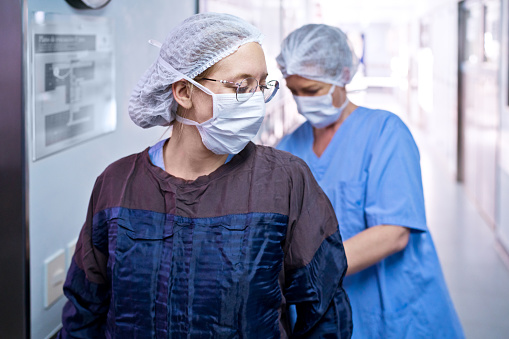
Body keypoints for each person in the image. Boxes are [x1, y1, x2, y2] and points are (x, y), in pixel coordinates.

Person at [58, 13, 352, 338]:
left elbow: (326, 312)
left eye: (261, 85)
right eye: (241, 86)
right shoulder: (117, 185)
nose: (255, 100)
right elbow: (84, 313)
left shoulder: (284, 182)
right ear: (184, 91)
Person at [276, 24, 464, 338]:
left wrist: (313, 273)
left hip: (395, 312)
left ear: (344, 75)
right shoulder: (288, 148)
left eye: (311, 91)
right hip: (323, 315)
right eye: (294, 91)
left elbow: (393, 232)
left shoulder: (385, 133)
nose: (301, 101)